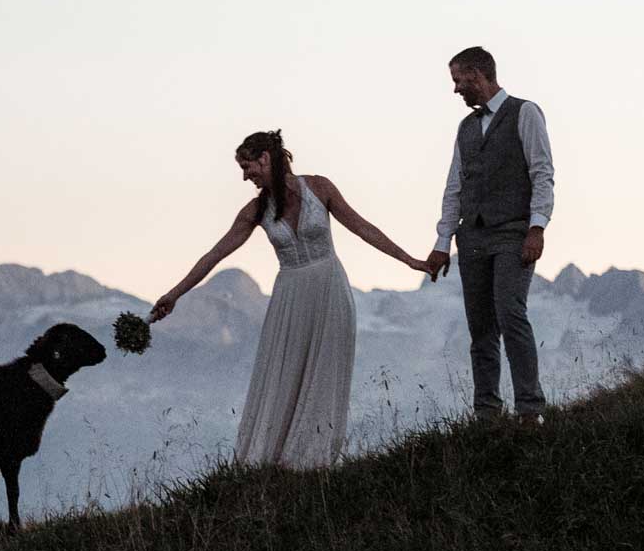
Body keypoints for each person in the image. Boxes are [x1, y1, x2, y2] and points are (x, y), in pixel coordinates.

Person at [150, 130, 433, 468]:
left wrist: (410, 260)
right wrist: (174, 294)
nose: (245, 176)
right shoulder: (255, 211)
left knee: (325, 369)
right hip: (290, 296)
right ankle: (272, 460)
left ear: (265, 159)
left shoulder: (320, 188)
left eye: (247, 166)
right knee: (283, 371)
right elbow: (215, 255)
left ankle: (313, 459)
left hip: (329, 286)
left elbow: (363, 228)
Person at [422, 46, 554, 421]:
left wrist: (536, 228)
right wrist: (442, 242)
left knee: (510, 315)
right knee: (480, 329)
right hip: (474, 239)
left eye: (458, 80)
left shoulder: (524, 113)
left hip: (513, 233)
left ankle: (530, 410)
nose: (455, 90)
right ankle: (487, 414)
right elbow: (454, 187)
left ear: (478, 75)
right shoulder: (465, 128)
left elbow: (542, 172)